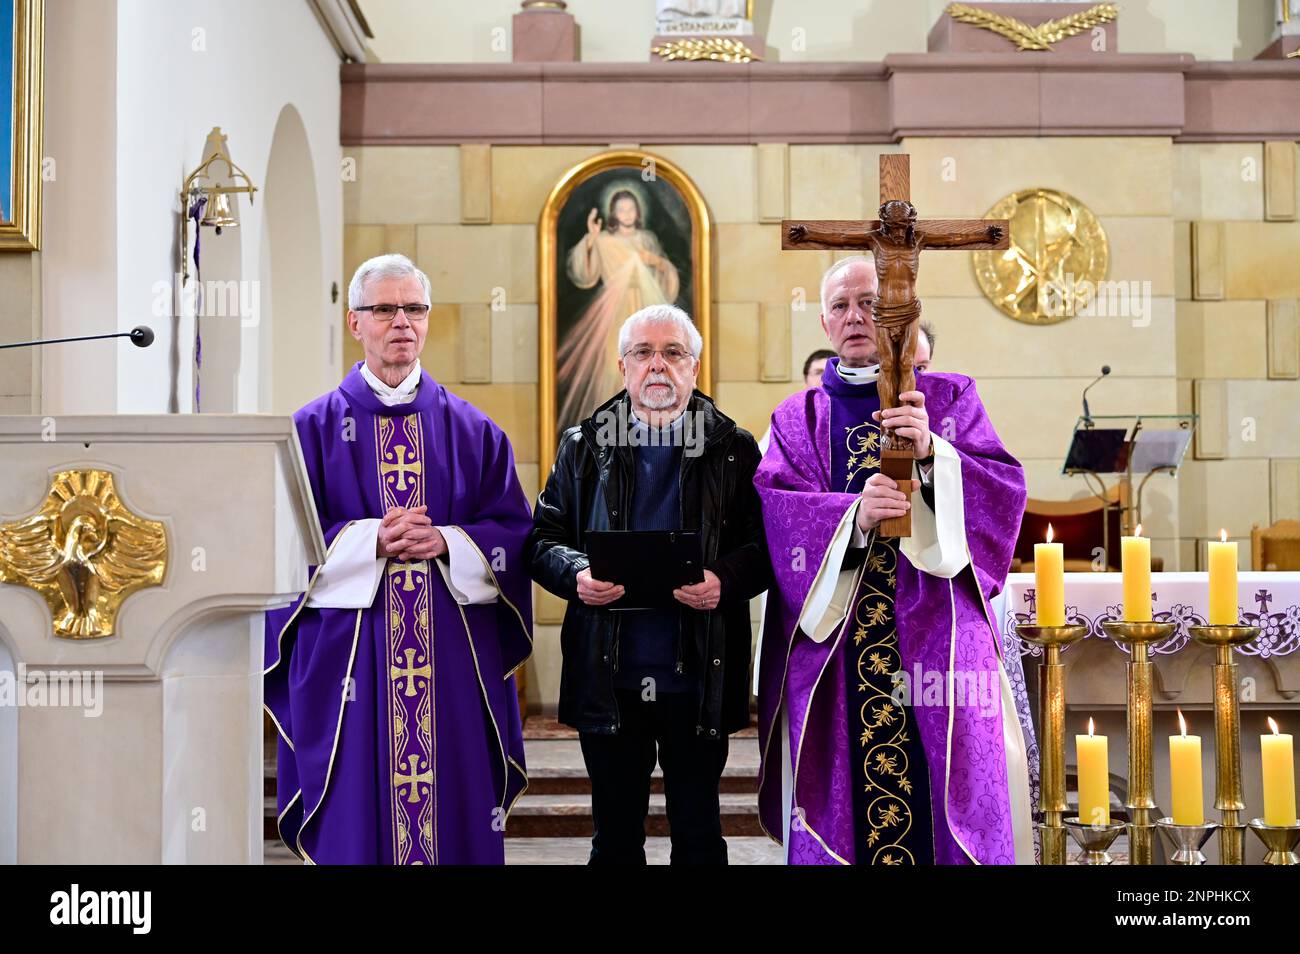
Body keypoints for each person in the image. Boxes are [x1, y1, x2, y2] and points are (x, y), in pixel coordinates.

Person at [753, 255, 1037, 865]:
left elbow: (1005, 490)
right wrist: (852, 516)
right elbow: (777, 513)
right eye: (840, 306)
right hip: (840, 642)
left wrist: (936, 454)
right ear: (824, 323)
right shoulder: (797, 418)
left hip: (937, 632)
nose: (856, 317)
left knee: (944, 784)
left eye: (871, 304)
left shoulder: (949, 393)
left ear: (901, 314)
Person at [264, 253, 533, 864]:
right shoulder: (309, 429)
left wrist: (448, 542)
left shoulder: (475, 431)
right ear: (355, 321)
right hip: (349, 664)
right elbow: (277, 541)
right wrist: (366, 542)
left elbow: (515, 535)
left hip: (451, 664)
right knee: (355, 816)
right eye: (385, 309)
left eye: (414, 309)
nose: (401, 322)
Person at [529, 303, 771, 864]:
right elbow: (542, 540)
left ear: (694, 367)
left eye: (673, 353)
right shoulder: (583, 445)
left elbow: (765, 548)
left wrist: (725, 580)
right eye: (643, 353)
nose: (657, 365)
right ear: (622, 366)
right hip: (608, 671)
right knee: (614, 837)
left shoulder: (732, 448)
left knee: (698, 834)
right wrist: (576, 573)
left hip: (698, 669)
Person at [558, 189, 680, 432]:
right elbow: (586, 274)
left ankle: (651, 425)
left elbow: (663, 277)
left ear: (638, 211)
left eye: (630, 208)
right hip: (613, 312)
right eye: (621, 209)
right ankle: (612, 428)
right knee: (614, 368)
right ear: (613, 212)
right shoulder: (603, 240)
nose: (626, 213)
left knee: (651, 363)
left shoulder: (647, 240)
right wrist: (591, 239)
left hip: (645, 307)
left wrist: (656, 262)